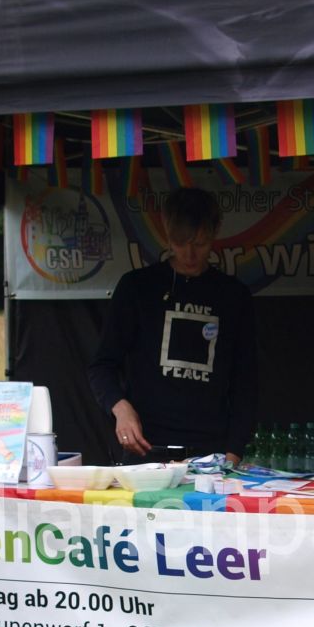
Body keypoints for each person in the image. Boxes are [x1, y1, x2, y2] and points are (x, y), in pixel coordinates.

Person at [88, 187, 257, 465]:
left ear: (215, 232)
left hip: (210, 453)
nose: (189, 253)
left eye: (199, 243)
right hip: (147, 450)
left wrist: (234, 452)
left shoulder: (232, 296)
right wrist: (120, 407)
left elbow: (246, 382)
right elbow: (101, 365)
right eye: (180, 243)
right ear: (166, 233)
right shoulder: (138, 287)